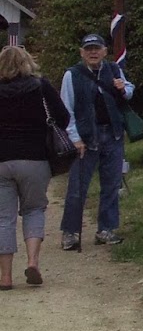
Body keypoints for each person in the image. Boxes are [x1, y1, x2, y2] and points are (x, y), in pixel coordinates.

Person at [0, 45, 69, 288]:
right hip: (35, 158)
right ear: (28, 62)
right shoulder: (41, 87)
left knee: (3, 219)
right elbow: (63, 117)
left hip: (2, 160)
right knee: (34, 210)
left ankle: (5, 277)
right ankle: (32, 262)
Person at [60, 33, 135, 251]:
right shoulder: (72, 75)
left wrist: (124, 88)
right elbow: (67, 111)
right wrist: (74, 139)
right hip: (85, 139)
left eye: (97, 48)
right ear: (81, 52)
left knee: (111, 185)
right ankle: (70, 233)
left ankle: (106, 229)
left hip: (113, 134)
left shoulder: (113, 69)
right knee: (77, 188)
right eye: (89, 49)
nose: (93, 52)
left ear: (104, 51)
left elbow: (129, 91)